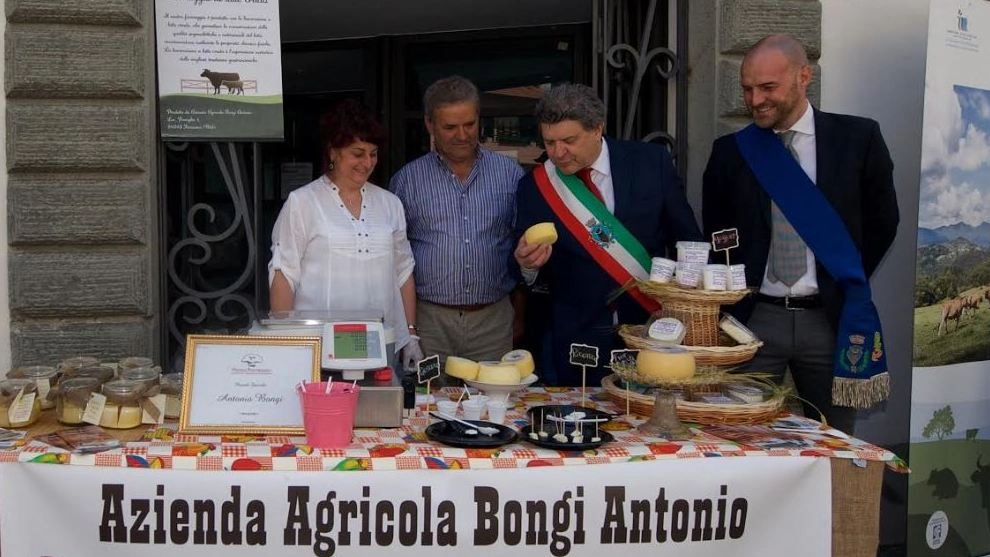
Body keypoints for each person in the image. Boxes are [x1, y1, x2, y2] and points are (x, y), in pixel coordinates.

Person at [702, 34, 899, 434]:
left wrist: (842, 277)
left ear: (803, 76)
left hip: (828, 320)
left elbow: (883, 223)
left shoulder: (858, 139)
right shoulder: (731, 152)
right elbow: (717, 235)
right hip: (754, 321)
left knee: (834, 439)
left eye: (768, 87)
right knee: (739, 437)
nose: (755, 100)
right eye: (747, 89)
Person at [514, 83, 703, 387]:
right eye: (549, 142)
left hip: (650, 329)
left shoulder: (651, 163)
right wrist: (527, 264)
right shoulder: (535, 187)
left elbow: (689, 242)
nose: (557, 153)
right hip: (575, 338)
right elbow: (524, 272)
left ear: (598, 128)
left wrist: (691, 313)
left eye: (569, 140)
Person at [269, 99, 424, 371]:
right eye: (358, 153)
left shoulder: (390, 204)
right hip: (319, 345)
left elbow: (403, 273)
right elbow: (284, 274)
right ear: (333, 152)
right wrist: (287, 344)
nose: (367, 163)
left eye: (373, 154)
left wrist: (410, 334)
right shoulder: (303, 202)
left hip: (381, 344)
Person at [390, 76, 525, 370]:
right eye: (450, 127)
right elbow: (395, 261)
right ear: (430, 125)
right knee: (429, 408)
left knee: (495, 405)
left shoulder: (510, 175)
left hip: (493, 318)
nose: (462, 135)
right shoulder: (406, 181)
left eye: (469, 124)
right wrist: (407, 329)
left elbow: (522, 249)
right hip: (430, 321)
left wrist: (519, 314)